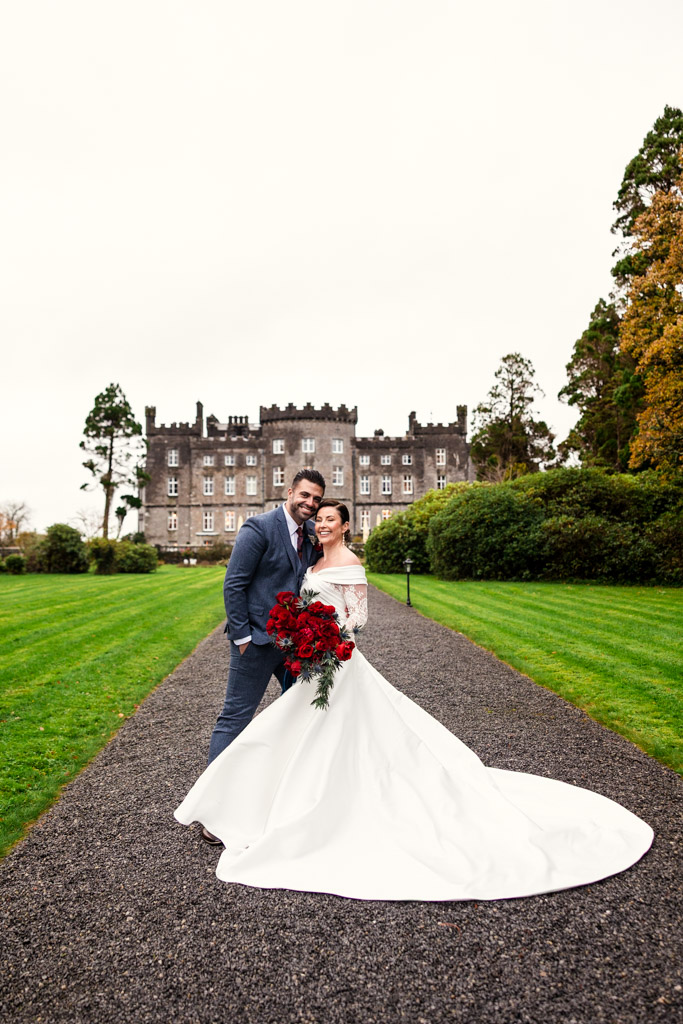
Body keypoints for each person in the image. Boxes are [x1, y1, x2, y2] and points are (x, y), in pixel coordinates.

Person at [175, 500, 653, 900]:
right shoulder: (312, 562)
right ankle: (257, 804)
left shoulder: (349, 563)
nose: (321, 524)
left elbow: (357, 618)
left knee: (327, 731)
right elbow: (298, 599)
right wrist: (302, 628)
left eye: (330, 520)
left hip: (336, 660)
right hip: (315, 661)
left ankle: (322, 809)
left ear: (346, 526)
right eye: (317, 519)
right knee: (294, 729)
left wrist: (324, 635)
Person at [200, 469, 325, 844]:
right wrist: (241, 637)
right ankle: (212, 811)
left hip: (292, 648)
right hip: (254, 643)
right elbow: (234, 584)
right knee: (234, 719)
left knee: (300, 717)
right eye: (304, 495)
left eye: (316, 499)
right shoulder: (259, 528)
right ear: (289, 492)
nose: (310, 503)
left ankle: (284, 800)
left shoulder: (309, 536)